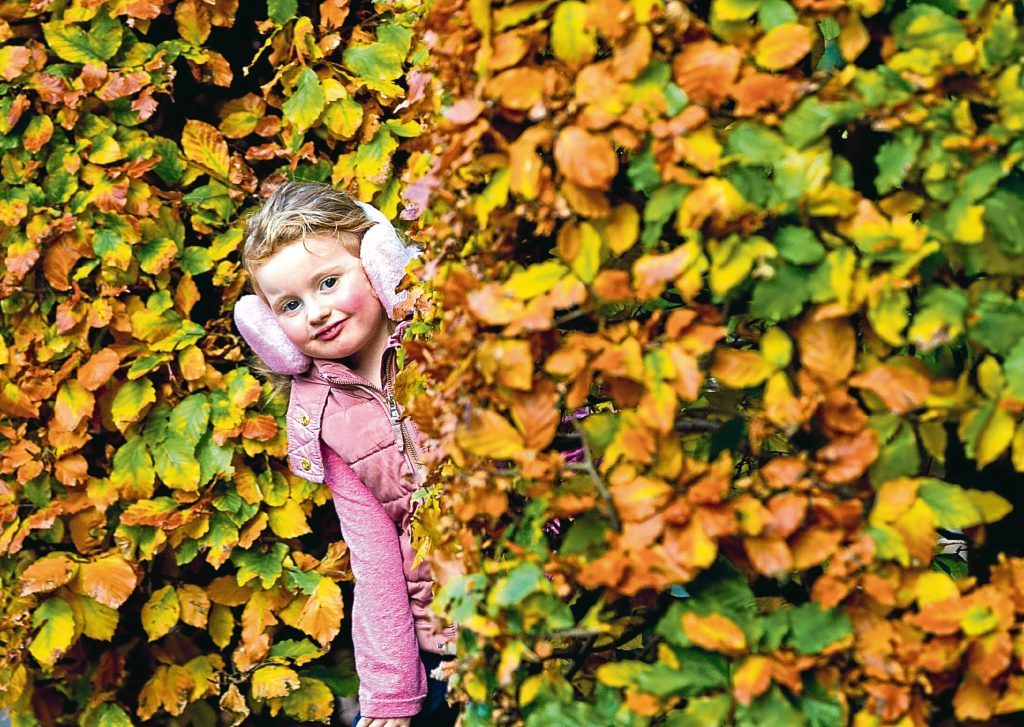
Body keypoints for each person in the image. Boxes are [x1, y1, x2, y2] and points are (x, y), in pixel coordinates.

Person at [233, 182, 458, 727]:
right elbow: (375, 560)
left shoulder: (450, 339)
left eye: (329, 282)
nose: (316, 312)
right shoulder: (323, 417)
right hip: (447, 639)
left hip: (547, 594)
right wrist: (390, 697)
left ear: (379, 264)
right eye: (290, 304)